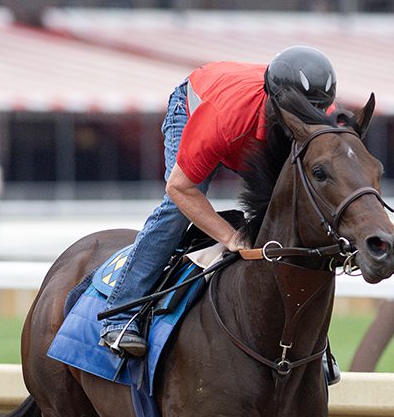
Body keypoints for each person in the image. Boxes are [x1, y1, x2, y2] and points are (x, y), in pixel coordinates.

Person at [99, 45, 338, 357]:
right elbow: (180, 189)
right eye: (299, 115)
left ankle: (312, 344)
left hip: (244, 122)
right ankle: (119, 314)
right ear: (275, 104)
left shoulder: (323, 117)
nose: (306, 123)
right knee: (176, 212)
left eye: (315, 114)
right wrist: (231, 237)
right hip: (195, 106)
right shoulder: (225, 118)